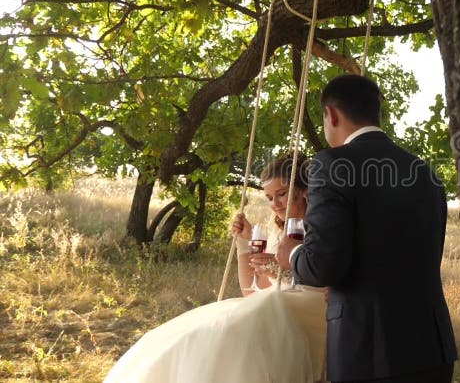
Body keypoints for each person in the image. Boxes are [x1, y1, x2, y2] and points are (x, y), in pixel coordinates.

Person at [276, 74, 458, 383]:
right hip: (433, 348)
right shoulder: (425, 171)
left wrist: (291, 253)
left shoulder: (331, 164)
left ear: (331, 115)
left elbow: (322, 266)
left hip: (368, 353)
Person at [104, 155, 327, 383]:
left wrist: (282, 269)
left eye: (282, 194)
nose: (275, 204)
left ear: (304, 191)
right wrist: (244, 243)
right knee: (196, 334)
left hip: (311, 311)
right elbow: (251, 292)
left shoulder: (321, 229)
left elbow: (324, 280)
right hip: (276, 308)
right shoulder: (277, 234)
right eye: (269, 198)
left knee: (236, 330)